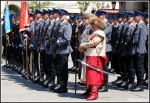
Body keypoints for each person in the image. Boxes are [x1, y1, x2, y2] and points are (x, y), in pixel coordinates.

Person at [79, 16, 107, 100]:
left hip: (94, 56)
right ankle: (89, 89)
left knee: (93, 74)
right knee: (88, 73)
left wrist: (83, 45)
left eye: (92, 24)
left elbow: (94, 42)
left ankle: (94, 93)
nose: (91, 25)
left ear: (97, 24)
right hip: (89, 55)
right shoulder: (94, 32)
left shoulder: (100, 33)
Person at [53, 9, 73, 93]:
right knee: (59, 68)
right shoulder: (59, 24)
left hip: (64, 49)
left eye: (62, 15)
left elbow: (67, 38)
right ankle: (61, 84)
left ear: (65, 16)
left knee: (63, 69)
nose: (60, 17)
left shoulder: (67, 25)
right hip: (59, 49)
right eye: (59, 15)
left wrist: (58, 42)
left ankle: (64, 86)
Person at [129, 11, 148, 91]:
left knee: (139, 68)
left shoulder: (142, 27)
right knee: (135, 67)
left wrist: (139, 51)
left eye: (135, 16)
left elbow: (142, 40)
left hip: (139, 51)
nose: (133, 17)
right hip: (134, 50)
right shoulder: (137, 26)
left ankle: (140, 85)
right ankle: (137, 83)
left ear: (140, 17)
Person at [95, 10, 112, 92]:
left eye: (98, 16)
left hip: (106, 47)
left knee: (105, 67)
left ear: (103, 16)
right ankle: (101, 83)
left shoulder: (108, 25)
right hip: (99, 47)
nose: (98, 18)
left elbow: (101, 34)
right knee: (99, 66)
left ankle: (105, 85)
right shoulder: (100, 25)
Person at [79, 12, 93, 86]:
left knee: (89, 70)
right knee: (85, 69)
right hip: (85, 51)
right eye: (83, 18)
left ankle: (90, 88)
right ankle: (88, 87)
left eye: (85, 19)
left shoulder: (91, 28)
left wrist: (83, 46)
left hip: (90, 51)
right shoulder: (86, 28)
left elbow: (90, 40)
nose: (83, 20)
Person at [143, 12, 148, 87]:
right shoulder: (146, 26)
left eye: (146, 18)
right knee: (146, 64)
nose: (145, 20)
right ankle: (147, 78)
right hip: (145, 47)